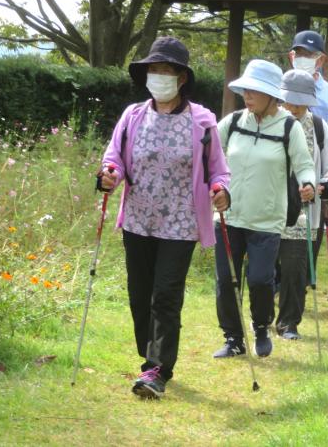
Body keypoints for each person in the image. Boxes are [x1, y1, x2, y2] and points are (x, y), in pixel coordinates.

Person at [99, 37, 231, 400]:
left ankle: (157, 369)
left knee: (166, 296)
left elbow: (219, 171)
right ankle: (149, 356)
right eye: (154, 71)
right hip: (138, 221)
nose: (159, 77)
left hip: (181, 223)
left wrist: (221, 190)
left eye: (167, 71)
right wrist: (109, 173)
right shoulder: (132, 116)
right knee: (139, 295)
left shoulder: (202, 123)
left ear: (182, 78)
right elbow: (114, 159)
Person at [212, 60, 316, 358]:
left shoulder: (288, 127)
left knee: (259, 279)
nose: (247, 95)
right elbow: (208, 153)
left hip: (267, 221)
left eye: (254, 90)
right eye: (245, 89)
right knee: (226, 280)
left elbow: (304, 165)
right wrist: (213, 187)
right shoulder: (232, 122)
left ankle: (260, 327)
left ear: (272, 95)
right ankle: (233, 339)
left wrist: (308, 183)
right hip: (228, 217)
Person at [275, 70, 328, 340]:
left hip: (305, 211)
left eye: (299, 102)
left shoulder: (318, 126)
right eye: (289, 101)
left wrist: (326, 183)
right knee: (264, 266)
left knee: (295, 269)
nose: (293, 107)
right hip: (268, 209)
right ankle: (263, 316)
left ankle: (289, 323)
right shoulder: (270, 122)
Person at [289, 30, 328, 160]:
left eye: (309, 55)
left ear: (321, 60)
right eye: (299, 54)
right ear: (291, 56)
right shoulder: (279, 88)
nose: (303, 59)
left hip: (317, 166)